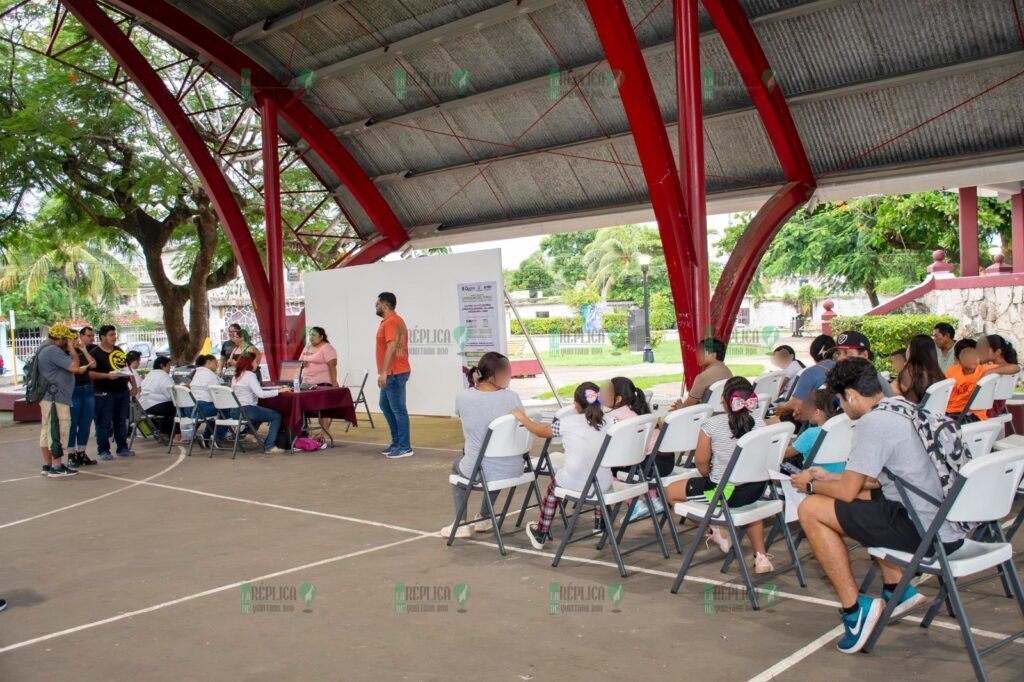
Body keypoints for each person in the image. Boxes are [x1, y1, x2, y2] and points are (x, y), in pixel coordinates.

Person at [792, 358, 965, 655]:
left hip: (925, 533)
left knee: (810, 509)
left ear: (851, 395)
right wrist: (831, 476)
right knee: (864, 499)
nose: (843, 409)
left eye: (840, 401)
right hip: (948, 524)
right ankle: (897, 591)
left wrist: (809, 484)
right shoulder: (904, 407)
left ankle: (853, 609)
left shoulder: (872, 423)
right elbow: (872, 481)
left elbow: (847, 492)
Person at [663, 376, 774, 574]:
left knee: (671, 491)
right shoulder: (760, 423)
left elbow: (701, 462)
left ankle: (714, 530)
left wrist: (710, 475)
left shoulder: (712, 425)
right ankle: (762, 557)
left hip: (724, 493)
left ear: (723, 399)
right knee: (750, 508)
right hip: (756, 490)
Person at [514, 382, 612, 549]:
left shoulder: (566, 422)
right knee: (596, 471)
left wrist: (523, 418)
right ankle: (601, 523)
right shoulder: (611, 420)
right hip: (604, 483)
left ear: (576, 405)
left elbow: (539, 431)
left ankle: (541, 531)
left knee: (553, 490)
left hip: (575, 481)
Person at [443, 352, 524, 538]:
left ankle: (461, 523)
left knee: (458, 466)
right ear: (497, 374)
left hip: (480, 468)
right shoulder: (512, 398)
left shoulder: (463, 397)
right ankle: (485, 516)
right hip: (512, 467)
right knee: (494, 463)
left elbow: (462, 416)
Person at [600, 376, 662, 521]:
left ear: (618, 398)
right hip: (660, 461)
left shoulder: (615, 417)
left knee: (606, 468)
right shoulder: (637, 410)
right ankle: (653, 500)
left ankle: (634, 504)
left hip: (649, 465)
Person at [36, 324, 82, 477]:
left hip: (49, 396)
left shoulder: (44, 348)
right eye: (67, 339)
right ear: (60, 339)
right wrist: (72, 350)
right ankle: (57, 465)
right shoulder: (53, 350)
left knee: (47, 429)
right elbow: (75, 367)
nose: (68, 342)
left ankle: (47, 464)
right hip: (56, 397)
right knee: (59, 429)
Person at [375, 291, 412, 459]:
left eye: (377, 304)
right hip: (392, 372)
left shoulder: (392, 321)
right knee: (385, 405)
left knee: (398, 409)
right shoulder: (390, 321)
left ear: (384, 305)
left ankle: (405, 447)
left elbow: (391, 347)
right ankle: (397, 442)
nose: (375, 307)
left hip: (394, 372)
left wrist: (384, 372)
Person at [89, 325, 134, 460]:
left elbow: (126, 368)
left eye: (115, 334)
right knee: (103, 422)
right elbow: (90, 373)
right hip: (104, 393)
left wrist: (133, 385)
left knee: (121, 421)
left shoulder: (118, 350)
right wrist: (107, 376)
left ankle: (122, 448)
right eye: (111, 335)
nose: (114, 337)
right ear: (103, 337)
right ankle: (103, 450)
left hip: (122, 390)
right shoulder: (95, 353)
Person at [772, 334, 835, 422]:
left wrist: (780, 406)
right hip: (836, 418)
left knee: (782, 413)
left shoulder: (810, 373)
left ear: (812, 353)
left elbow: (795, 405)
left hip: (815, 421)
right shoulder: (843, 368)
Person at [231, 355, 287, 454]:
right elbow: (260, 394)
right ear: (250, 363)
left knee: (260, 412)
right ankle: (270, 446)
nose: (257, 364)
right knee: (276, 416)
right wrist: (279, 391)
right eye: (256, 362)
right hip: (247, 411)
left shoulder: (236, 376)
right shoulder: (250, 375)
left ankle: (250, 434)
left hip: (235, 411)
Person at [784, 388, 840, 470]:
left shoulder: (811, 433)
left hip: (812, 477)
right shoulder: (841, 430)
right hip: (836, 477)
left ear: (817, 412)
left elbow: (785, 453)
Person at [67, 326, 98, 467]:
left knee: (86, 423)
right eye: (71, 339)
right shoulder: (65, 354)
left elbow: (93, 365)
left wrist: (84, 350)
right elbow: (76, 370)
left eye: (76, 338)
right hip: (74, 390)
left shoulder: (82, 350)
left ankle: (81, 452)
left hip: (87, 389)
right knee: (72, 424)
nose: (75, 341)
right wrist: (72, 350)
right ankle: (70, 454)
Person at [828, 331, 894, 397]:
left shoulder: (874, 383)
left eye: (847, 353)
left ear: (864, 355)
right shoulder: (846, 379)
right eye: (838, 353)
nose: (840, 358)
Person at [675, 338, 733, 409]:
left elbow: (688, 406)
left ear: (713, 355)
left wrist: (680, 407)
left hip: (704, 416)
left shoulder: (703, 377)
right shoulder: (728, 372)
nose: (697, 354)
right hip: (724, 415)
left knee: (662, 419)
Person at [974, 334, 1020, 418]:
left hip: (984, 411)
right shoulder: (1001, 367)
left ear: (998, 352)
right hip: (993, 410)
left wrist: (988, 372)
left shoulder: (1000, 369)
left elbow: (1016, 368)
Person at [894, 334, 945, 404]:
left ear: (912, 351)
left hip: (910, 412)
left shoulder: (910, 371)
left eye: (908, 347)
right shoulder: (936, 372)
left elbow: (891, 392)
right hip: (930, 413)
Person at [190, 354, 225, 445]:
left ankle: (207, 436)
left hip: (192, 409)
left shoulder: (197, 373)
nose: (217, 365)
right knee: (226, 410)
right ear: (208, 363)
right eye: (215, 363)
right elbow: (218, 393)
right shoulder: (210, 375)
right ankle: (217, 437)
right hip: (204, 409)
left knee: (217, 411)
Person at [140, 356, 177, 438]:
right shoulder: (163, 376)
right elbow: (171, 394)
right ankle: (174, 434)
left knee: (170, 407)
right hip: (155, 405)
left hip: (143, 406)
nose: (169, 368)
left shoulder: (150, 374)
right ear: (162, 365)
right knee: (176, 408)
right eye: (168, 366)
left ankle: (165, 433)